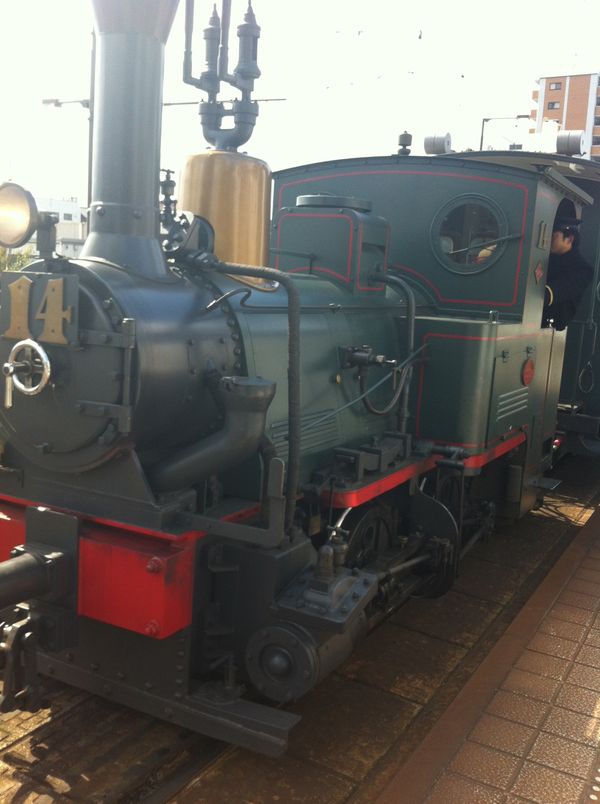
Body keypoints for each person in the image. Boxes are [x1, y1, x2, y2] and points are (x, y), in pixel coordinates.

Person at [542, 218, 593, 330]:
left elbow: (551, 293)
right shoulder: (543, 258)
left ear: (569, 239)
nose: (548, 239)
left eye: (553, 236)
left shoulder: (583, 270)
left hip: (549, 326)